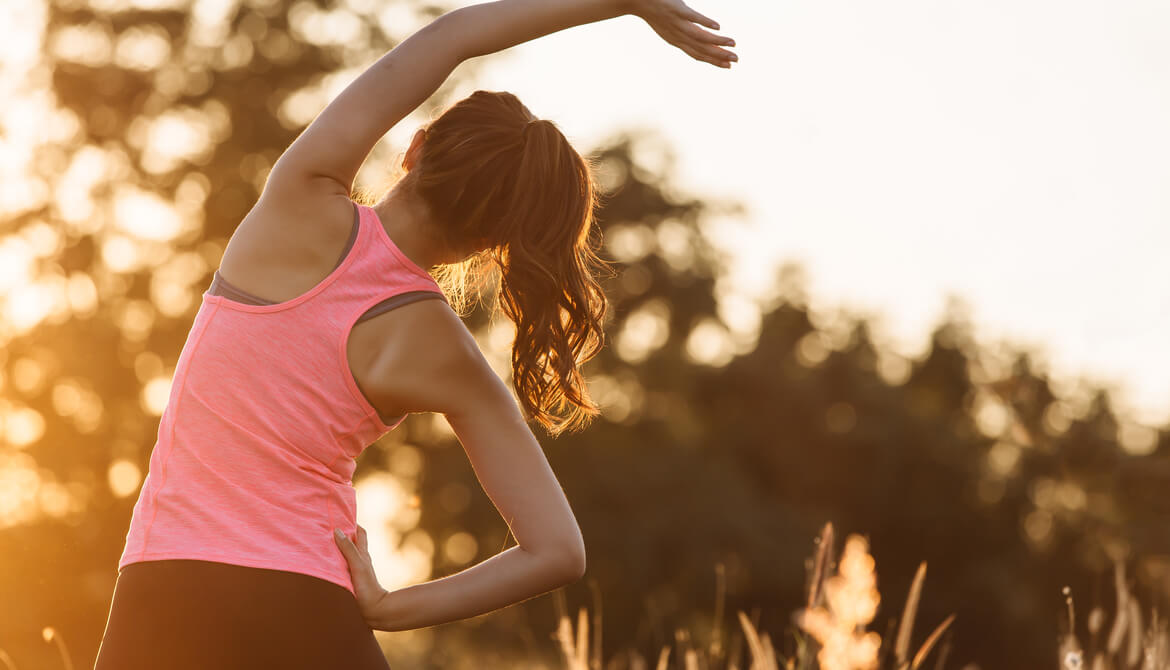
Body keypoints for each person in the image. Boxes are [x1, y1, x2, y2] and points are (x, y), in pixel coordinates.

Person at [93, 0, 736, 667]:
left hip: (166, 589)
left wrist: (622, 3)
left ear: (417, 146)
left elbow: (453, 36)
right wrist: (390, 608)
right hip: (310, 605)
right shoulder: (446, 352)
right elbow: (557, 551)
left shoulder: (300, 199)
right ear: (494, 241)